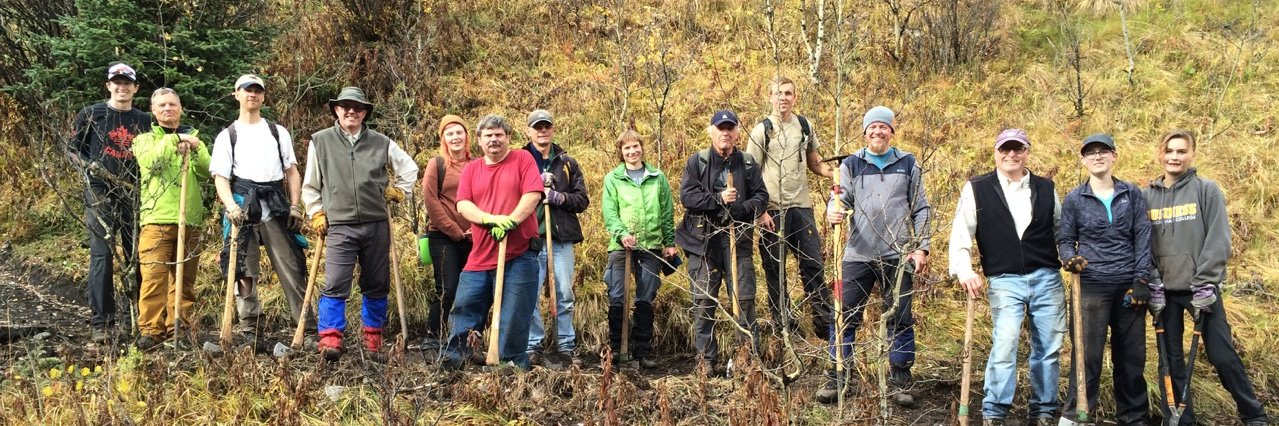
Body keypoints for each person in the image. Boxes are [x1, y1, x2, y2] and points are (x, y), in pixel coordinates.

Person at [1144, 130, 1269, 426]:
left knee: (1222, 353)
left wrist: (1205, 282)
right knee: (1169, 359)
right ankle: (1179, 419)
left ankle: (1254, 414)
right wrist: (1153, 282)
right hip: (1165, 293)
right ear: (1160, 154)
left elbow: (1219, 239)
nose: (1175, 156)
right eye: (1170, 151)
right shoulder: (1145, 196)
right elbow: (1141, 244)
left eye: (1181, 151)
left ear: (1192, 154)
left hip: (1200, 290)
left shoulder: (1206, 190)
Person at [944, 129, 1064, 425]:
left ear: (1027, 151)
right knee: (1005, 342)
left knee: (1048, 346)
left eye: (1018, 149)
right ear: (995, 152)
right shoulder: (978, 188)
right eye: (1005, 149)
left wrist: (1074, 257)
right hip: (1004, 279)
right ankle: (995, 411)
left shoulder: (1046, 187)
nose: (1011, 155)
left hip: (1046, 276)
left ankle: (1044, 409)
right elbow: (961, 232)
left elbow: (1061, 230)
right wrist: (964, 268)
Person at [824, 106, 930, 407]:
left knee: (900, 317)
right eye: (872, 127)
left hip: (898, 255)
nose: (878, 132)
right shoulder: (851, 164)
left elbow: (921, 207)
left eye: (884, 127)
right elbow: (839, 199)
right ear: (865, 132)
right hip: (857, 255)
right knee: (843, 316)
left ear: (892, 132)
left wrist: (921, 247)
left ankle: (899, 379)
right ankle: (838, 376)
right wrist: (832, 210)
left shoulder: (908, 163)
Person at [301, 86, 418, 360]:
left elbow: (410, 168)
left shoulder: (381, 142)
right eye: (345, 106)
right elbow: (310, 185)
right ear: (337, 110)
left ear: (364, 113)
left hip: (376, 222)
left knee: (376, 282)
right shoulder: (320, 142)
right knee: (336, 282)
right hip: (339, 224)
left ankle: (373, 338)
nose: (351, 111)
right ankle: (330, 338)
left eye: (357, 107)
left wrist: (400, 191)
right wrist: (317, 212)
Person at [1057, 133, 1153, 425]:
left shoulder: (1132, 194)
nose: (1097, 157)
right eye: (1090, 153)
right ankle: (1078, 415)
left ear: (1114, 156)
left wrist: (1141, 281)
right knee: (1086, 357)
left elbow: (1143, 238)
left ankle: (1134, 417)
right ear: (1084, 160)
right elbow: (1064, 239)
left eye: (1103, 151)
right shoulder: (1074, 198)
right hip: (1091, 288)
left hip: (1128, 289)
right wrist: (1068, 260)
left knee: (1131, 357)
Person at [210, 74, 310, 343]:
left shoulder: (277, 132)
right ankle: (250, 329)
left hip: (275, 204)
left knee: (292, 264)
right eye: (247, 90)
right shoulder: (227, 135)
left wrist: (294, 205)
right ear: (237, 94)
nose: (252, 94)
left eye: (257, 90)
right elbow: (221, 176)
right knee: (244, 269)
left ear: (263, 96)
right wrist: (230, 205)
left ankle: (306, 326)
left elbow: (291, 171)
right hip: (242, 204)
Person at [442, 114, 543, 370]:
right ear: (478, 140)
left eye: (499, 134)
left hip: (520, 253)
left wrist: (511, 220)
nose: (494, 139)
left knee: (515, 314)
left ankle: (509, 365)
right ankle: (455, 361)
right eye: (488, 135)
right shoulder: (472, 169)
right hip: (481, 254)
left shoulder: (523, 159)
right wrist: (489, 220)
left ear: (508, 137)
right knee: (465, 306)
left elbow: (532, 195)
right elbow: (463, 204)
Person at [675, 110, 768, 374]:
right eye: (720, 129)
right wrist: (718, 199)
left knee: (744, 299)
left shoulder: (748, 164)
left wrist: (742, 208)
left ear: (737, 133)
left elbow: (762, 195)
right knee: (704, 302)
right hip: (703, 243)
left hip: (738, 240)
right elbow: (688, 197)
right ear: (711, 131)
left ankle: (745, 359)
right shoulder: (698, 162)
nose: (725, 133)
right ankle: (705, 360)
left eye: (730, 129)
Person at [745, 76, 834, 341]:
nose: (783, 98)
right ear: (770, 97)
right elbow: (750, 174)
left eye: (788, 93)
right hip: (772, 209)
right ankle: (784, 324)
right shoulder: (762, 130)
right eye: (778, 93)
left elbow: (815, 163)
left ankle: (823, 322)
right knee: (776, 269)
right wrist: (760, 212)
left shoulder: (805, 126)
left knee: (813, 264)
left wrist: (836, 174)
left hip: (801, 207)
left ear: (795, 97)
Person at [68, 62, 150, 343]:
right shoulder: (91, 114)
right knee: (101, 255)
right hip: (99, 193)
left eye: (127, 83)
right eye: (117, 82)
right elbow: (72, 151)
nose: (122, 87)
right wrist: (88, 166)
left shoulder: (144, 120)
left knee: (134, 255)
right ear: (108, 85)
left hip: (134, 193)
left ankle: (134, 318)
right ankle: (101, 322)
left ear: (135, 88)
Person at [130, 88, 210, 350]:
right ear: (153, 111)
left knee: (185, 280)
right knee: (153, 277)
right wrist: (174, 140)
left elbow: (208, 171)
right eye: (162, 105)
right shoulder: (144, 140)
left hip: (190, 220)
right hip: (157, 219)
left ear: (181, 108)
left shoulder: (197, 140)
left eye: (172, 104)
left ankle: (180, 327)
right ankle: (151, 330)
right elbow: (150, 163)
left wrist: (194, 148)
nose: (167, 109)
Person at [600, 129, 678, 369]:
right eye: (627, 148)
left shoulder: (657, 177)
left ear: (642, 148)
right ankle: (617, 350)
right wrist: (622, 234)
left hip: (651, 245)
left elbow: (666, 211)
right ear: (621, 152)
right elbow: (610, 212)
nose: (632, 151)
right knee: (618, 296)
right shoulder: (613, 179)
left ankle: (642, 349)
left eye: (636, 147)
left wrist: (669, 242)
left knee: (646, 296)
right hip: (621, 246)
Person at [522, 109, 590, 366]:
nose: (542, 131)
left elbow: (582, 200)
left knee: (563, 292)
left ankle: (565, 345)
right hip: (530, 238)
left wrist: (559, 198)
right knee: (530, 294)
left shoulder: (567, 163)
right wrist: (534, 188)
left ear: (552, 129)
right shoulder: (520, 160)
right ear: (528, 131)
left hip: (560, 239)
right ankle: (533, 345)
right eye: (537, 127)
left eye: (546, 126)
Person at [421, 114, 475, 351]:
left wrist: (477, 226)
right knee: (447, 287)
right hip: (442, 237)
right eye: (450, 133)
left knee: (472, 288)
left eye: (459, 132)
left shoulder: (477, 164)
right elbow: (430, 200)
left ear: (466, 135)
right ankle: (433, 336)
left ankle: (465, 336)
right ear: (443, 138)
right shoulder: (437, 164)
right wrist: (453, 229)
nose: (455, 137)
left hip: (475, 237)